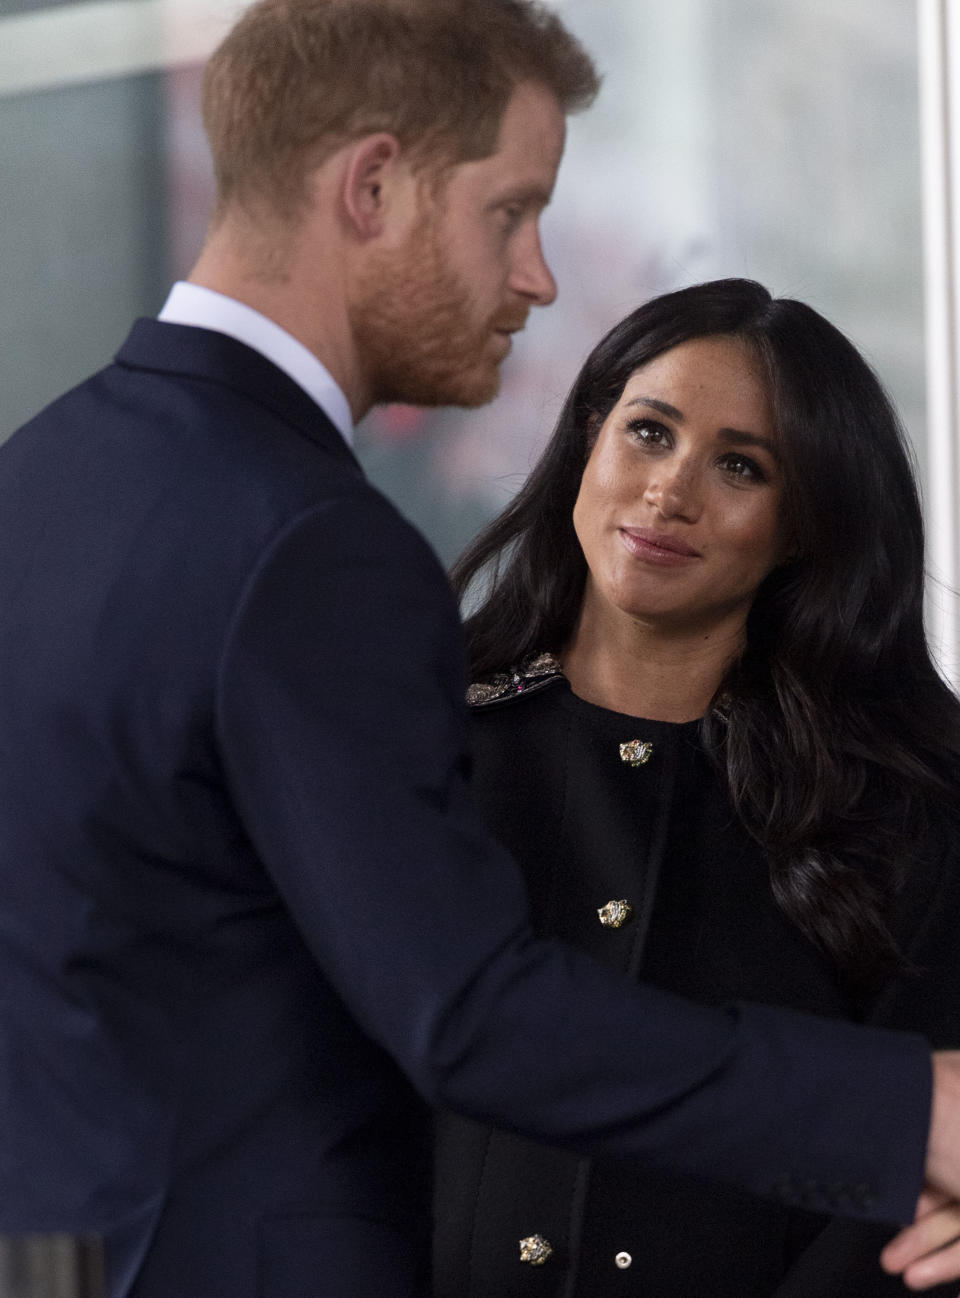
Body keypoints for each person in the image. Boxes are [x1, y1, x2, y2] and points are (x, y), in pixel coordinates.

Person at [0, 3, 956, 1294]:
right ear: (375, 186)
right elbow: (473, 1017)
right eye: (510, 211)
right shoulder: (310, 545)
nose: (538, 277)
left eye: (742, 466)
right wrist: (916, 1116)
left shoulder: (42, 478)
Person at [434, 277, 960, 1296]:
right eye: (648, 431)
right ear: (589, 436)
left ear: (804, 522)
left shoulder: (908, 810)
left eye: (740, 466)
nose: (672, 490)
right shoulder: (418, 749)